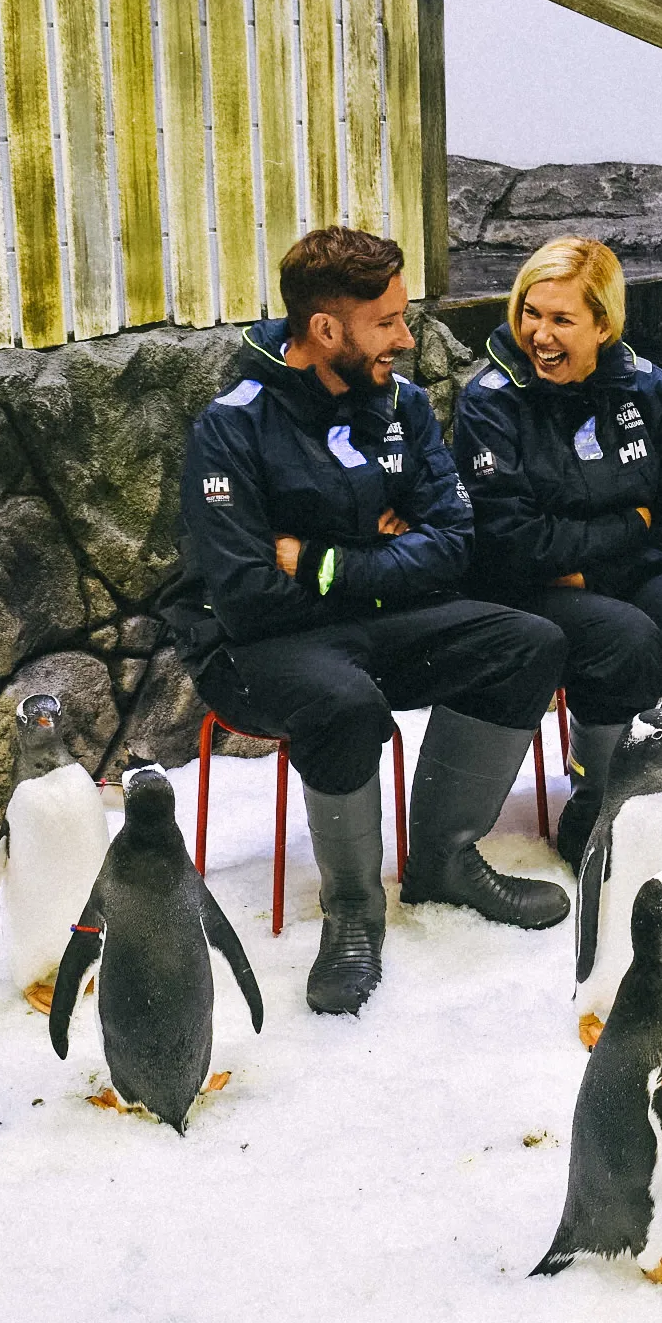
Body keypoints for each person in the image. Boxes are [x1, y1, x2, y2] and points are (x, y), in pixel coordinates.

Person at [167, 228, 572, 1018]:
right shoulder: (233, 423)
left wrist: (322, 562)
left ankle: (446, 861)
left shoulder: (403, 405)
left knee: (528, 643)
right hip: (255, 651)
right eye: (386, 321)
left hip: (363, 621)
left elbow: (453, 545)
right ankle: (352, 909)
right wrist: (383, 558)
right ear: (325, 329)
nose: (407, 338)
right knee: (342, 701)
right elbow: (247, 595)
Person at [447, 237, 662, 865]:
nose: (540, 334)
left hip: (613, 576)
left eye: (562, 319)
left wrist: (593, 562)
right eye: (530, 312)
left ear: (603, 324)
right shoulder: (489, 400)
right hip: (524, 590)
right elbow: (514, 539)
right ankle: (596, 808)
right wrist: (629, 526)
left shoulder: (648, 389)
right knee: (626, 640)